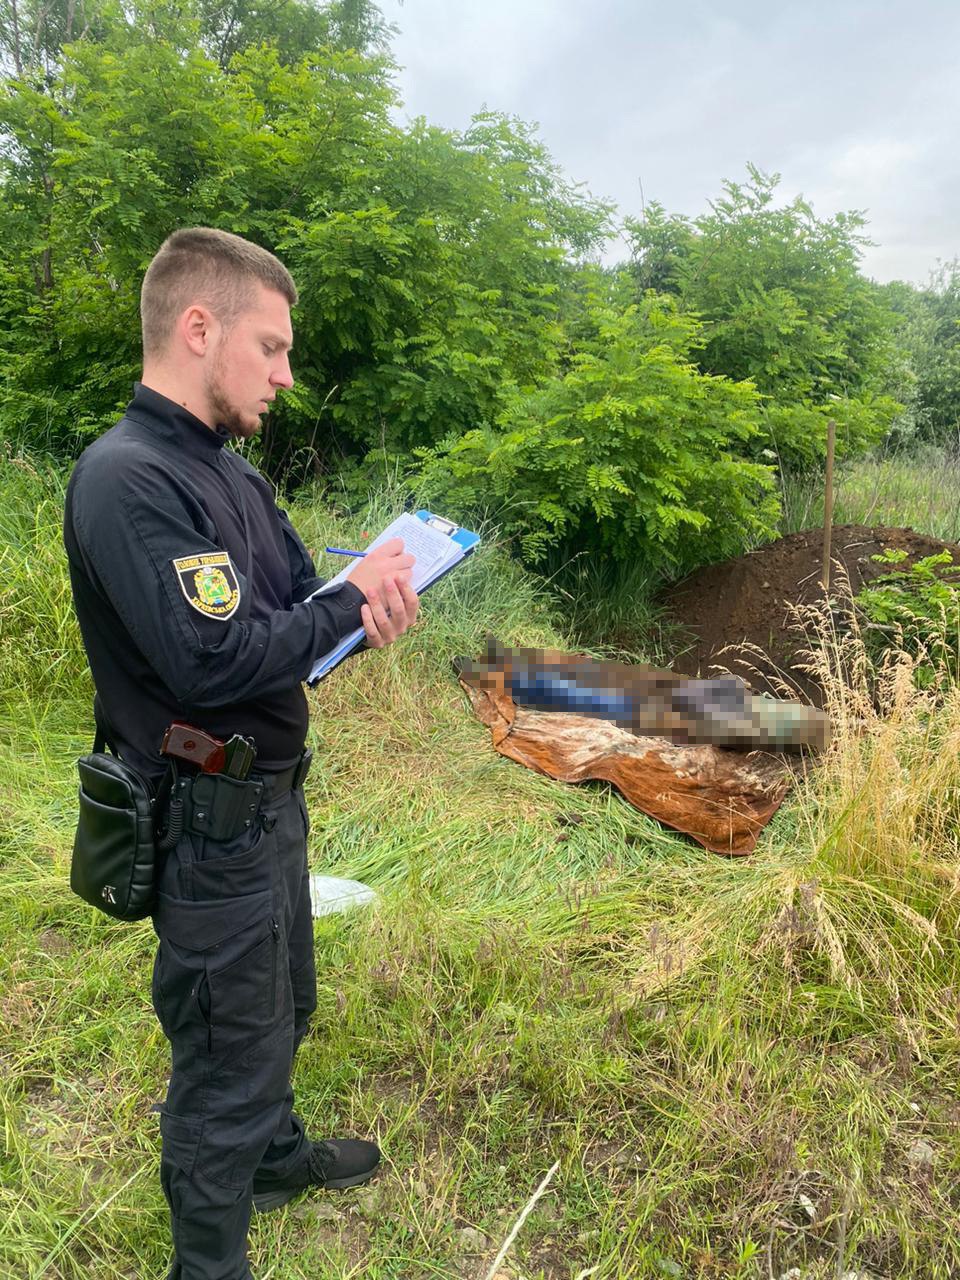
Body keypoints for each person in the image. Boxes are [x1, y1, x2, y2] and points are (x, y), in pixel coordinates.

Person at [63, 227, 419, 1280]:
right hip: (204, 818)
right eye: (269, 347)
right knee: (225, 1057)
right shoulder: (128, 477)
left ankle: (272, 1157)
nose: (285, 373)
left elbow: (296, 618)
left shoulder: (232, 477)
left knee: (284, 1003)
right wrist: (335, 610)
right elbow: (210, 660)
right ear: (198, 326)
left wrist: (366, 605)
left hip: (269, 805)